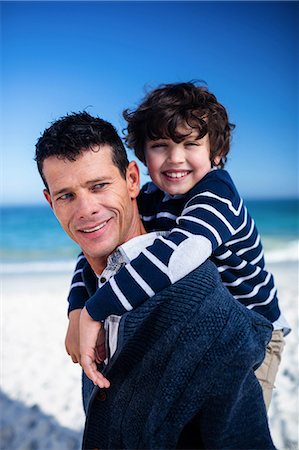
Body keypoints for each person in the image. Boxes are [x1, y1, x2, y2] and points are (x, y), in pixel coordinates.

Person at [35, 112, 276, 449]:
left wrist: (91, 311)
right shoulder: (99, 284)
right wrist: (78, 308)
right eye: (66, 196)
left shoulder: (202, 304)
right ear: (50, 202)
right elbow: (87, 263)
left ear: (132, 179)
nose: (86, 209)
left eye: (99, 185)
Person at [69, 82, 289, 409]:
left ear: (216, 153)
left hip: (254, 332)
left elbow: (181, 253)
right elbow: (93, 250)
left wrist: (97, 309)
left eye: (190, 143)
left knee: (231, 424)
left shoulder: (217, 195)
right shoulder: (148, 198)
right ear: (142, 155)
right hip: (200, 330)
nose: (175, 158)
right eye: (160, 145)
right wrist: (76, 311)